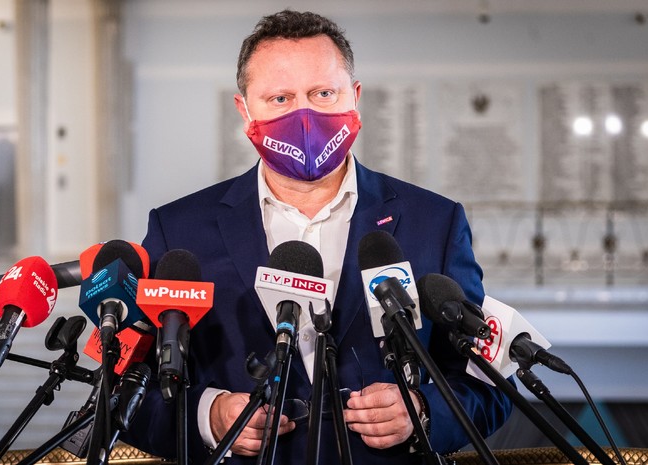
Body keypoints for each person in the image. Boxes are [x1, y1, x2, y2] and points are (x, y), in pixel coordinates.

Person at [122, 9, 513, 465]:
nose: (304, 115)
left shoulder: (435, 223)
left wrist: (423, 411)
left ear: (355, 97)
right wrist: (207, 417)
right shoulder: (178, 231)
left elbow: (490, 385)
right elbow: (124, 389)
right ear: (244, 109)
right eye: (280, 98)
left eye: (323, 93)